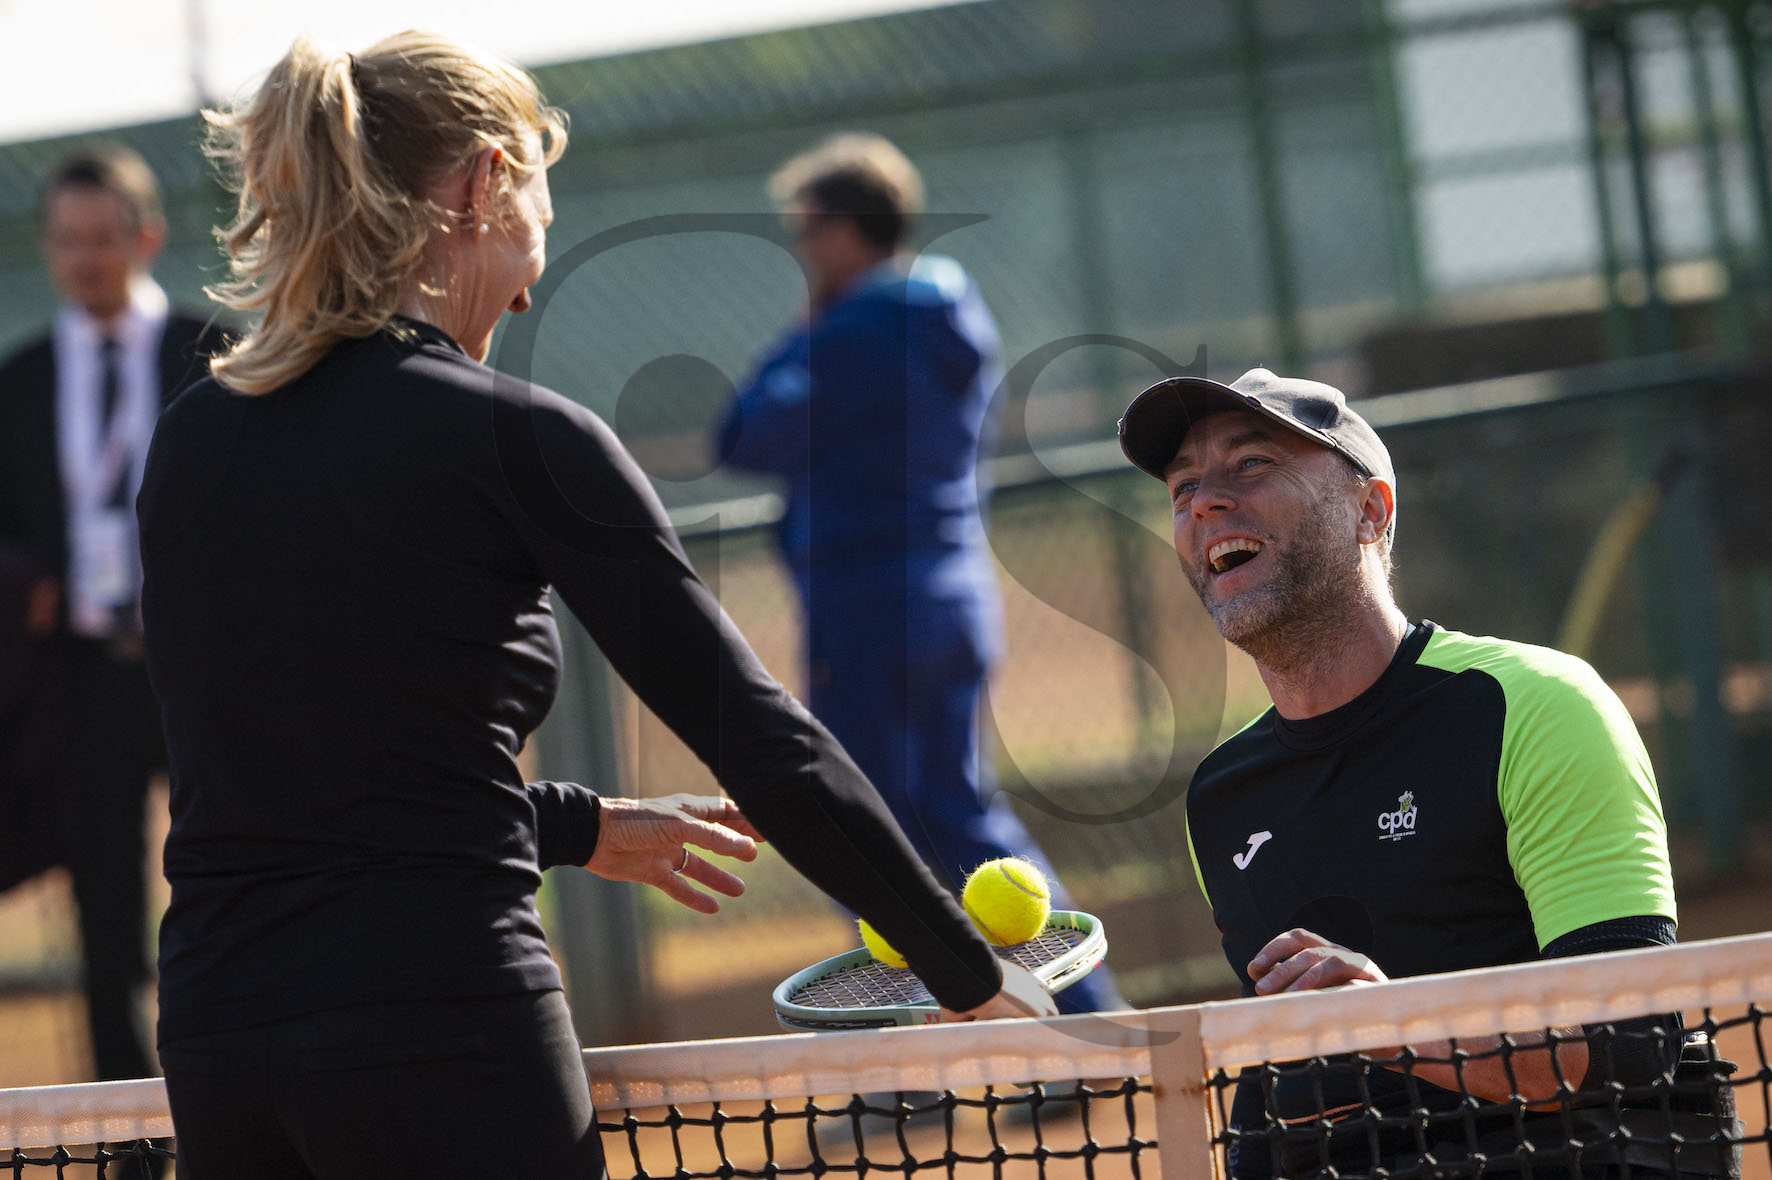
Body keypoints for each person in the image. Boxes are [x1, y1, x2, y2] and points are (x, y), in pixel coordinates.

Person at [138, 34, 1051, 1180]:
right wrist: (961, 969)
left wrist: (574, 824)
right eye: (537, 218)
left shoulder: (188, 439)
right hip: (440, 1023)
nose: (531, 276)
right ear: (480, 186)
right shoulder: (522, 435)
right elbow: (762, 741)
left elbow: (299, 792)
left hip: (219, 1047)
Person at [1117, 368, 1727, 1178]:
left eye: (1252, 465)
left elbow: (1628, 1040)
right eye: (1183, 487)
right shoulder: (1221, 800)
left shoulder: (1534, 707)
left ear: (1371, 511)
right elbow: (1312, 1079)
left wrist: (1393, 1018)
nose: (1204, 503)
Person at [716, 134, 1122, 1014]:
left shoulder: (853, 327)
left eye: (805, 233)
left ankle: (899, 1068)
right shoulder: (951, 309)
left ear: (843, 232)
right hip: (952, 596)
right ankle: (1085, 1028)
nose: (800, 253)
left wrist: (801, 332)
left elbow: (741, 434)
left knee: (860, 830)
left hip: (867, 610)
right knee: (962, 818)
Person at [0, 146, 230, 1085]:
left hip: (203, 674)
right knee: (104, 910)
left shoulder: (217, 352)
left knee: (230, 879)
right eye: (67, 241)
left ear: (145, 236)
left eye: (103, 239)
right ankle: (132, 1133)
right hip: (83, 677)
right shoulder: (17, 381)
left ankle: (234, 1083)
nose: (86, 260)